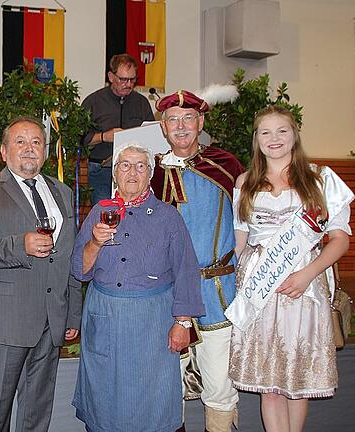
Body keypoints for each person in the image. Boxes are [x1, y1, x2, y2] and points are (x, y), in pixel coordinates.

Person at [226, 105, 353, 432]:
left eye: (282, 130)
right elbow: (240, 242)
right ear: (256, 139)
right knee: (269, 385)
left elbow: (339, 240)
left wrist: (307, 274)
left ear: (295, 134)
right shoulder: (245, 182)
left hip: (303, 288)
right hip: (259, 289)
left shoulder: (320, 179)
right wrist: (237, 290)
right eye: (265, 132)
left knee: (295, 380)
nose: (274, 139)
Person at [0, 116, 83, 432]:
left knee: (36, 416)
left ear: (45, 151)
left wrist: (71, 315)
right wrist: (20, 245)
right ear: (3, 151)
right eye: (20, 142)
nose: (30, 149)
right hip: (2, 323)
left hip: (50, 323)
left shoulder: (63, 193)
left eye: (37, 142)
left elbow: (67, 257)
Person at [71, 144, 204, 432]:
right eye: (125, 165)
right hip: (104, 317)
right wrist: (95, 242)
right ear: (115, 174)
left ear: (150, 173)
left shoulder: (168, 216)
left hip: (152, 323)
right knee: (105, 401)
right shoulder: (98, 212)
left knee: (151, 404)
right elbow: (79, 271)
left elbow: (186, 270)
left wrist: (183, 322)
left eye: (141, 165)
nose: (133, 172)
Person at [151, 90, 244, 431]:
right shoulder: (152, 172)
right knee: (168, 384)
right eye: (173, 120)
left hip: (217, 292)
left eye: (188, 118)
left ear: (201, 122)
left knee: (219, 383)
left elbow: (254, 218)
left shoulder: (226, 166)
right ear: (163, 127)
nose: (181, 126)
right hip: (169, 295)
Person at [82, 53, 155, 205]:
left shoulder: (141, 103)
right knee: (105, 212)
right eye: (123, 79)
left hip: (135, 171)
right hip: (101, 170)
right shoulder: (93, 102)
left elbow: (152, 137)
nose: (128, 84)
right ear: (111, 76)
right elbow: (80, 139)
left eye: (132, 79)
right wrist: (104, 137)